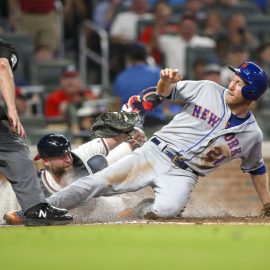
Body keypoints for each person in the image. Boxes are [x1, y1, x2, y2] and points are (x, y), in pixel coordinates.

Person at [45, 61, 270, 219]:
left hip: (185, 174)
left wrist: (268, 204)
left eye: (239, 83)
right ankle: (43, 208)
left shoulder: (251, 135)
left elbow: (257, 169)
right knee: (98, 183)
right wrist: (165, 80)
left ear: (252, 93)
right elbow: (166, 92)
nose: (231, 85)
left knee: (165, 212)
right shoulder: (208, 89)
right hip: (155, 153)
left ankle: (141, 209)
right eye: (233, 79)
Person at [4, 125, 147, 224]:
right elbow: (12, 216)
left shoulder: (81, 154)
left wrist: (129, 127)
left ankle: (137, 206)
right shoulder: (37, 186)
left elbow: (136, 136)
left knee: (97, 163)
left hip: (104, 204)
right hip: (85, 215)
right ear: (45, 161)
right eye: (61, 156)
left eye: (68, 154)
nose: (68, 159)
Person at [0, 38, 72, 226]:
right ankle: (35, 209)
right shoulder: (4, 48)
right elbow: (2, 65)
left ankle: (35, 208)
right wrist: (11, 109)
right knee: (15, 150)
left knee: (13, 148)